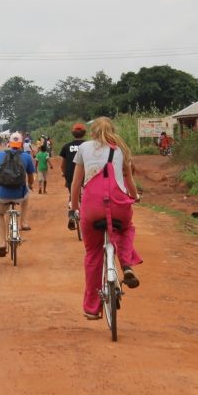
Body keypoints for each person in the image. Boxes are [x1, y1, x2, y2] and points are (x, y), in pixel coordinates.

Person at [70, 117, 142, 320]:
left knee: (93, 254)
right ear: (113, 130)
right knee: (126, 228)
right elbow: (129, 179)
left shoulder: (84, 147)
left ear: (92, 131)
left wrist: (74, 207)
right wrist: (135, 197)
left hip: (92, 206)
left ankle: (92, 309)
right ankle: (126, 265)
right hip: (119, 203)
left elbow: (76, 183)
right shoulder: (121, 148)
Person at [0, 132, 36, 257]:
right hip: (20, 193)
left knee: (0, 213)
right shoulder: (26, 157)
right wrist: (30, 185)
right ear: (21, 144)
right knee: (26, 197)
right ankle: (23, 222)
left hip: (3, 195)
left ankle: (2, 243)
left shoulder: (0, 155)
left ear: (9, 143)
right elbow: (31, 177)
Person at [60, 123, 87, 230]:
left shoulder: (66, 146)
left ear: (73, 133)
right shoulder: (89, 145)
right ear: (84, 133)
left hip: (71, 174)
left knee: (72, 194)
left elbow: (63, 164)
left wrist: (64, 173)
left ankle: (72, 214)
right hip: (86, 174)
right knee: (87, 195)